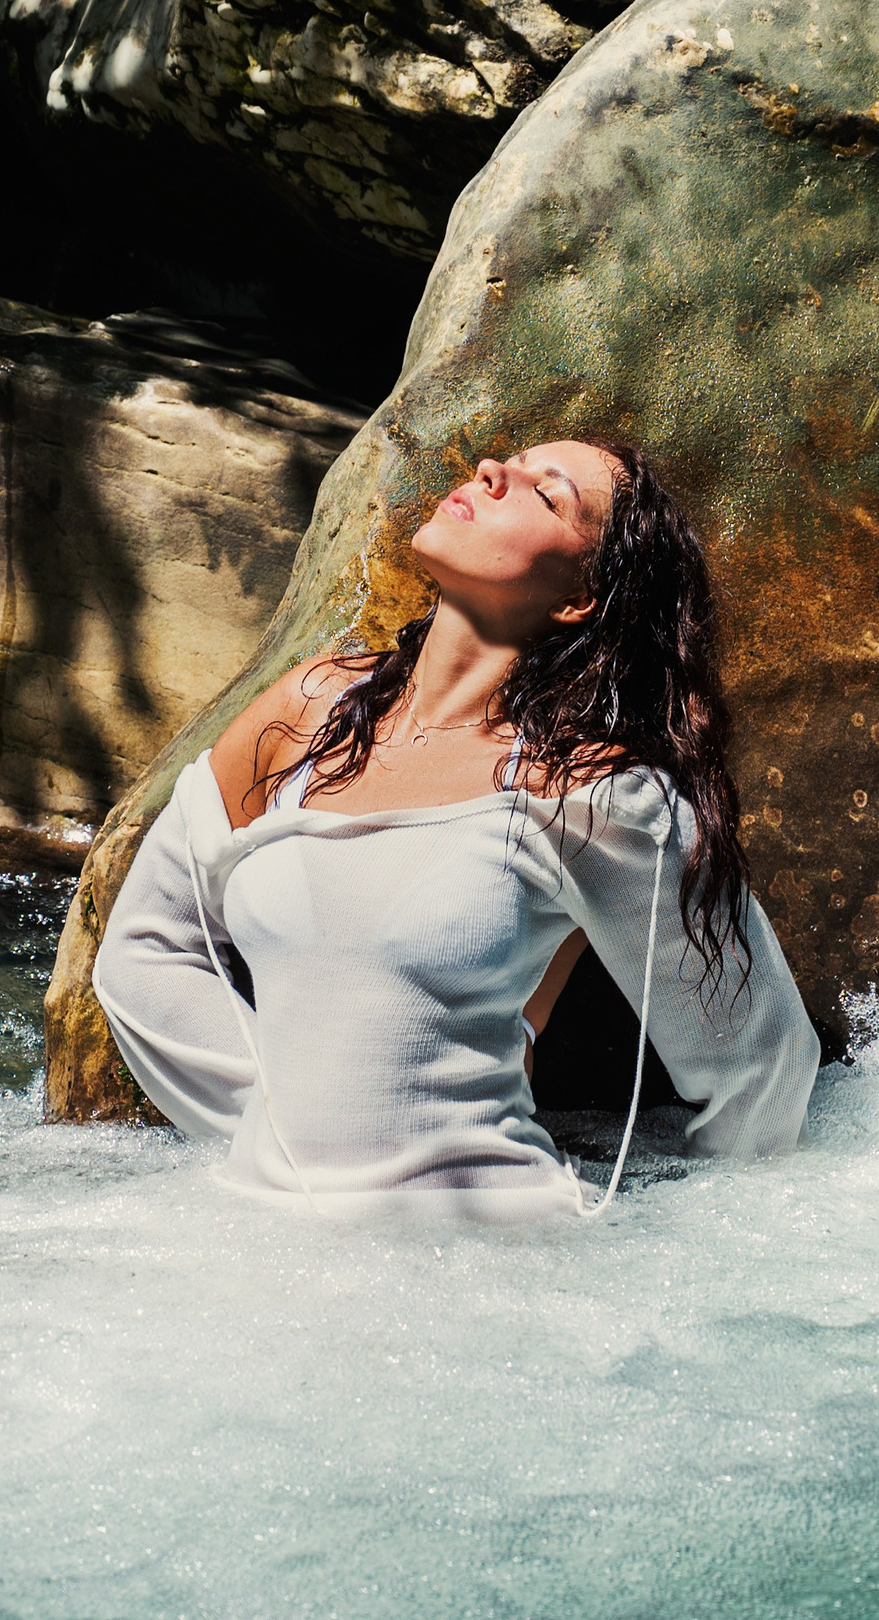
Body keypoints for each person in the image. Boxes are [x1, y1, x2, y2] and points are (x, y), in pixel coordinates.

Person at [92, 438, 820, 1218]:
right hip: (271, 1251)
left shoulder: (591, 789)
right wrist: (277, 1122)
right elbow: (143, 951)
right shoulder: (311, 713)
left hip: (501, 1256)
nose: (492, 472)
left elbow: (764, 1072)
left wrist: (689, 1245)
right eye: (508, 462)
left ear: (579, 596)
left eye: (547, 494)